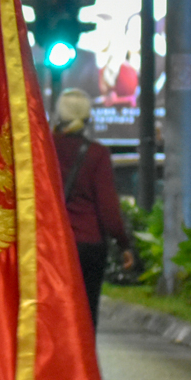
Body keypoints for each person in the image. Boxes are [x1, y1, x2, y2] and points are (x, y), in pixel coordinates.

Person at [50, 89, 134, 326]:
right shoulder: (98, 154)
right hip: (89, 246)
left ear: (58, 116)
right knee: (85, 315)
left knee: (52, 315)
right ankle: (81, 362)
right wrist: (124, 243)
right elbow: (108, 208)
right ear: (87, 119)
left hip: (51, 244)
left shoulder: (44, 149)